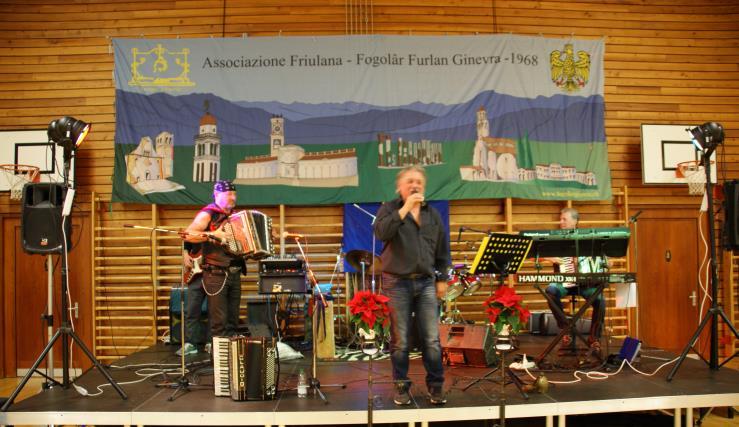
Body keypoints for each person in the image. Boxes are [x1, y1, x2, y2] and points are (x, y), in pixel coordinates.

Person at [374, 165, 450, 406]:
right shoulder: (389, 209)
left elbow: (442, 250)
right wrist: (405, 209)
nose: (415, 185)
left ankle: (436, 386)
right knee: (400, 340)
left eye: (418, 181)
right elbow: (381, 233)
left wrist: (442, 278)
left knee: (431, 339)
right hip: (397, 283)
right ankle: (401, 387)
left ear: (424, 186)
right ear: (400, 187)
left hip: (426, 282)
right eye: (409, 181)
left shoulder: (432, 214)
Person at [179, 180, 245, 355]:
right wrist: (211, 235)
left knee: (230, 317)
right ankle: (200, 346)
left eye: (234, 194)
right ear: (217, 195)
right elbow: (188, 235)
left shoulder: (237, 218)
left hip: (233, 272)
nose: (233, 197)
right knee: (207, 314)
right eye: (229, 194)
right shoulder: (208, 214)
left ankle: (223, 350)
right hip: (212, 272)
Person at [544, 207, 608, 356]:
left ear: (575, 221)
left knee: (600, 300)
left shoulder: (589, 238)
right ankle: (565, 329)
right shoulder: (556, 237)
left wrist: (605, 262)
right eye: (560, 219)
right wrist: (550, 258)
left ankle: (594, 338)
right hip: (564, 281)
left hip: (585, 284)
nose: (561, 222)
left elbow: (603, 258)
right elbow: (537, 253)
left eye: (564, 219)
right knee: (550, 290)